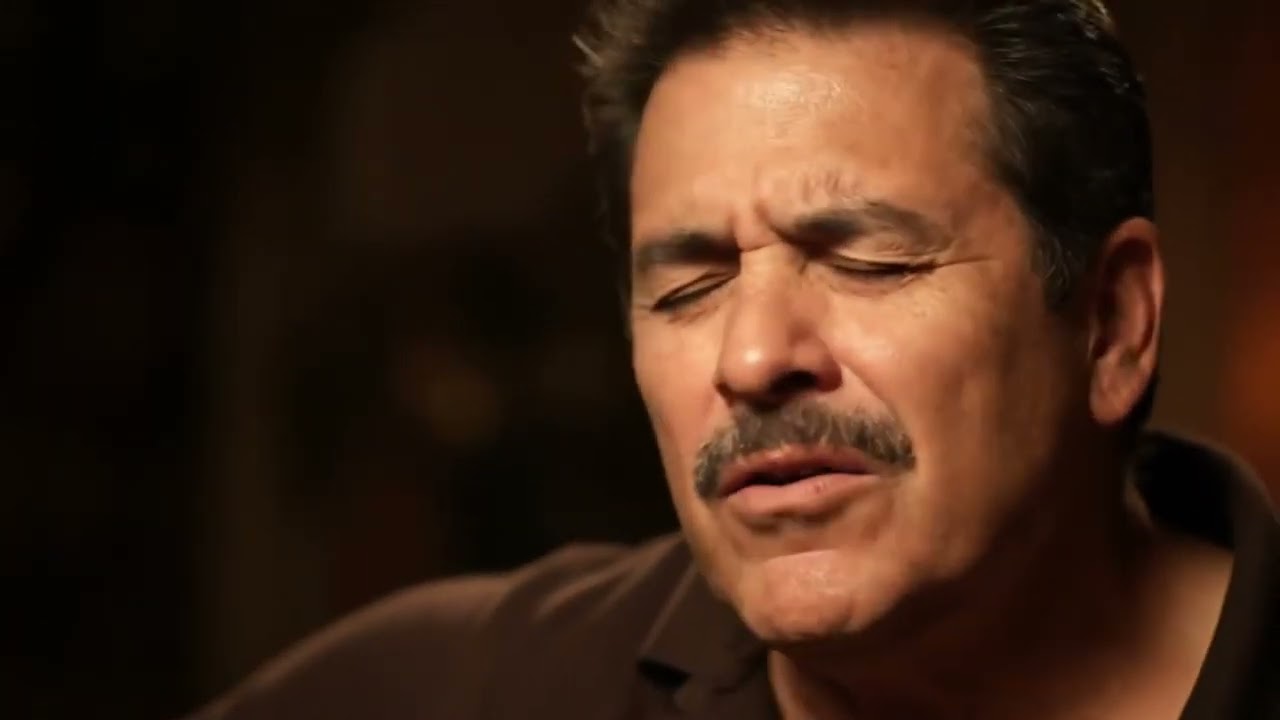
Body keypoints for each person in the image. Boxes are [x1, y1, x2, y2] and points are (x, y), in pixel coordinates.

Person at [187, 1, 1279, 718]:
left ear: (1111, 324)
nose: (752, 358)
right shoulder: (476, 688)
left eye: (866, 260)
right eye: (687, 288)